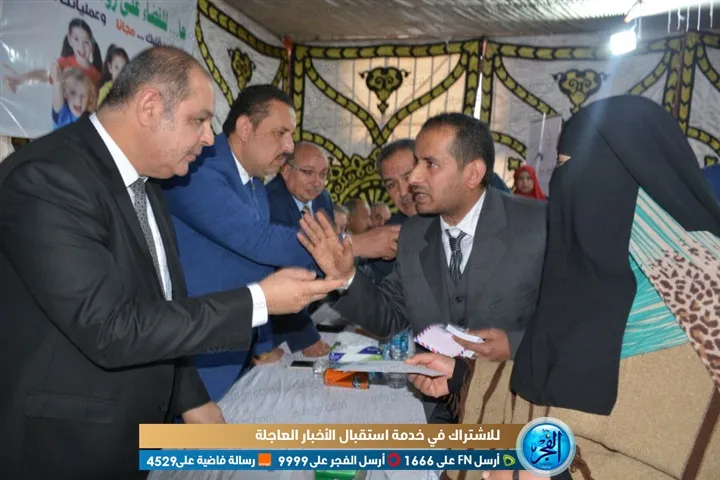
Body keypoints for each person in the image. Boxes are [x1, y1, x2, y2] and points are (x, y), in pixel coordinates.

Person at [0, 47, 343, 478]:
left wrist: (191, 398)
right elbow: (111, 328)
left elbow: (161, 305)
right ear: (149, 106)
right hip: (62, 446)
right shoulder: (50, 178)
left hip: (130, 433)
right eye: (198, 120)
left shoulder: (148, 183)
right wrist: (258, 300)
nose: (208, 138)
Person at [414, 96, 720, 480]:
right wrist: (462, 376)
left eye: (565, 166)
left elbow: (692, 454)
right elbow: (548, 380)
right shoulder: (595, 278)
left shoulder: (701, 308)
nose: (558, 187)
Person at [297, 113, 547, 423]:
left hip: (517, 411)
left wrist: (515, 345)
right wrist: (345, 277)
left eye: (429, 164)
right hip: (440, 410)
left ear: (472, 174)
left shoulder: (539, 225)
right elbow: (391, 317)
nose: (413, 178)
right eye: (416, 163)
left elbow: (577, 322)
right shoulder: (415, 234)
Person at [160, 85, 351, 401]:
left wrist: (262, 344)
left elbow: (258, 271)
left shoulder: (255, 187)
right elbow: (259, 241)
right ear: (245, 127)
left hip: (234, 349)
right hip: (195, 354)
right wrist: (350, 244)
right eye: (280, 133)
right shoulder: (198, 171)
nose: (289, 146)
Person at [266, 142, 335, 357]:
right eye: (308, 172)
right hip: (275, 324)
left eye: (323, 174)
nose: (317, 182)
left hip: (312, 308)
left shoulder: (323, 198)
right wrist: (306, 336)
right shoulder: (269, 201)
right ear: (286, 170)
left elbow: (331, 254)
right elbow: (281, 272)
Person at [361, 138, 418, 284]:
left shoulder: (464, 217)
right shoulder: (388, 239)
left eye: (408, 177)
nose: (403, 192)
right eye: (392, 185)